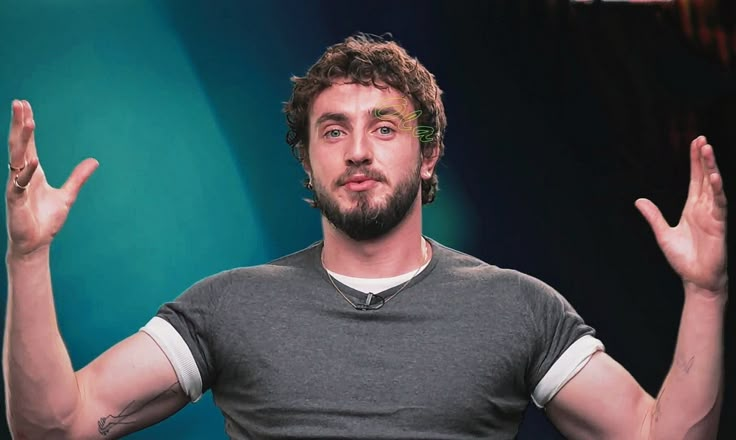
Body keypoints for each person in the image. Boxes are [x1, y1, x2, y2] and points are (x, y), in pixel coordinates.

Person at [3, 33, 728, 439]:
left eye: (384, 129)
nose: (358, 151)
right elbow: (52, 427)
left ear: (429, 153)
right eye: (333, 131)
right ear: (308, 159)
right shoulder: (228, 308)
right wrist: (29, 257)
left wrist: (705, 291)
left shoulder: (518, 307)